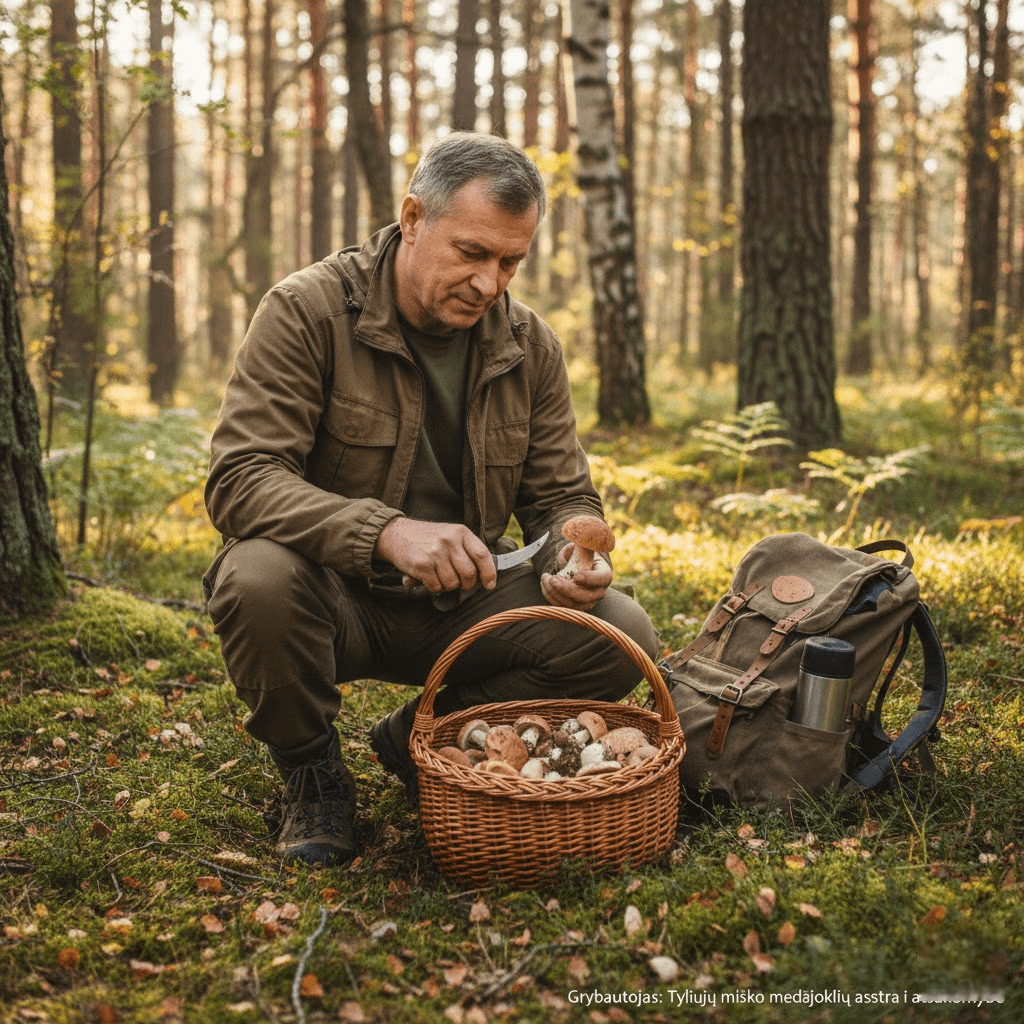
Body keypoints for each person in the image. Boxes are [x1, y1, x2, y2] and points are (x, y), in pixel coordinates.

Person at [203, 131, 659, 866]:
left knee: (619, 628)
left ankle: (424, 737)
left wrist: (574, 547)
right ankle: (313, 771)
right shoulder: (307, 311)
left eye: (510, 262)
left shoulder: (530, 345)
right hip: (332, 597)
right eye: (472, 253)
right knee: (255, 575)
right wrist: (386, 532)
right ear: (413, 217)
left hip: (465, 601)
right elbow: (241, 476)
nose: (489, 283)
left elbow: (562, 495)